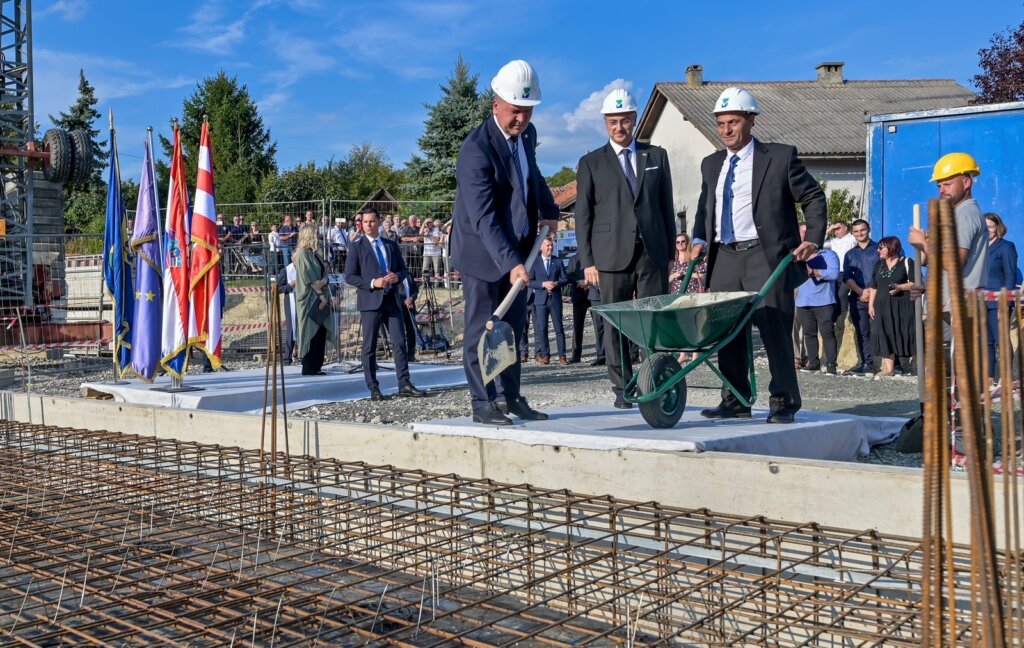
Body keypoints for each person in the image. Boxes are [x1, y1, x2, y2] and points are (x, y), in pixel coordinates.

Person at [691, 87, 827, 424]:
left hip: (765, 256)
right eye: (721, 123)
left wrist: (813, 238)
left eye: (733, 122)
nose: (726, 130)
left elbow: (812, 197)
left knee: (774, 330)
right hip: (724, 256)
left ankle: (784, 402)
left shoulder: (779, 157)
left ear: (750, 120)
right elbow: (705, 206)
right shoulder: (711, 164)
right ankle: (735, 399)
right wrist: (698, 237)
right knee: (726, 331)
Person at [451, 59, 559, 426]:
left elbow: (532, 176)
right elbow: (484, 218)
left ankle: (510, 396)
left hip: (518, 249)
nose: (522, 119)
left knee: (512, 327)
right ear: (495, 103)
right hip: (482, 254)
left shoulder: (526, 135)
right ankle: (483, 402)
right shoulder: (475, 151)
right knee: (483, 326)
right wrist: (510, 262)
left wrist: (550, 210)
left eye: (528, 111)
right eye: (515, 111)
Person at [574, 88, 676, 409]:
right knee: (616, 322)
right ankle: (622, 389)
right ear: (606, 123)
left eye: (625, 121)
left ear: (635, 120)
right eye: (613, 122)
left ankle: (654, 380)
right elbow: (583, 216)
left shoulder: (656, 156)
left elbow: (665, 206)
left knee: (652, 321)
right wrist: (588, 261)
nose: (620, 127)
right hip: (610, 256)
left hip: (652, 252)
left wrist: (670, 252)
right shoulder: (591, 162)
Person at [344, 208, 427, 400]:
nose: (368, 225)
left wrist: (396, 276)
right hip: (371, 302)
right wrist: (374, 282)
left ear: (379, 222)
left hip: (392, 301)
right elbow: (350, 276)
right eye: (365, 222)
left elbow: (403, 270)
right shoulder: (357, 247)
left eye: (372, 221)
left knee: (399, 343)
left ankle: (404, 384)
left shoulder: (390, 245)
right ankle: (373, 387)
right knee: (369, 346)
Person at [868, 237, 916, 378]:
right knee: (884, 334)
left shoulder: (907, 262)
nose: (878, 250)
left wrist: (900, 287)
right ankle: (889, 369)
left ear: (892, 248)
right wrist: (871, 305)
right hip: (882, 306)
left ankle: (917, 366)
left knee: (908, 333)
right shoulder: (879, 265)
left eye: (881, 248)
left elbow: (915, 283)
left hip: (903, 306)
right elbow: (873, 286)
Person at [293, 223, 335, 376]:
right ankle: (309, 366)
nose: (318, 236)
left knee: (320, 332)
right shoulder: (303, 254)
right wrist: (321, 295)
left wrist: (323, 283)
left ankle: (317, 365)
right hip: (310, 300)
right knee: (311, 331)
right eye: (316, 233)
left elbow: (323, 275)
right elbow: (309, 278)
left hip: (320, 298)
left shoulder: (315, 253)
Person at [795, 243, 841, 375]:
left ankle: (831, 364)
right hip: (803, 301)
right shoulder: (798, 256)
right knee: (809, 333)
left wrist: (814, 271)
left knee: (827, 332)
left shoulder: (828, 254)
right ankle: (813, 362)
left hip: (824, 300)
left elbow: (834, 273)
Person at [984, 213, 1018, 382]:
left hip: (998, 301)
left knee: (1001, 339)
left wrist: (1005, 303)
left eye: (990, 227)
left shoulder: (1006, 247)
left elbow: (1010, 275)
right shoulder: (979, 248)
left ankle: (1006, 377)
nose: (987, 230)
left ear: (998, 228)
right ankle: (989, 377)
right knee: (987, 342)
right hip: (981, 301)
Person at [843, 219, 877, 375]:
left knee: (884, 330)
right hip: (858, 297)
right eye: (856, 231)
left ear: (868, 229)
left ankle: (894, 364)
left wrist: (872, 291)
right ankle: (867, 364)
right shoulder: (850, 254)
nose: (859, 234)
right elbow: (847, 277)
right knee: (862, 331)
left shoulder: (879, 249)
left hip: (878, 297)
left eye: (862, 230)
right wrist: (860, 292)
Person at [529, 238, 568, 365]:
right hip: (540, 300)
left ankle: (562, 356)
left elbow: (565, 279)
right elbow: (530, 282)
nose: (550, 248)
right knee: (542, 329)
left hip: (555, 300)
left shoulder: (557, 261)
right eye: (548, 246)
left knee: (559, 328)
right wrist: (543, 284)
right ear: (541, 247)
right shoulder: (535, 262)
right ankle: (545, 355)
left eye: (551, 246)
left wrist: (556, 283)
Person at [566, 253, 605, 365]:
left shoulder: (596, 257)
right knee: (577, 326)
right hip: (579, 295)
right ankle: (576, 355)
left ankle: (601, 354)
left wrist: (588, 282)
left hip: (594, 293)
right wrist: (580, 281)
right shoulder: (573, 259)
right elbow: (568, 274)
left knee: (599, 326)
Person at [824, 220, 857, 351]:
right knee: (833, 294)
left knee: (842, 293)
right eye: (835, 229)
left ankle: (843, 315)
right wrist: (829, 229)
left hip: (847, 271)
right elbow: (819, 244)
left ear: (845, 228)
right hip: (835, 272)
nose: (836, 231)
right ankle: (836, 316)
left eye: (839, 228)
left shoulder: (851, 239)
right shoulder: (832, 242)